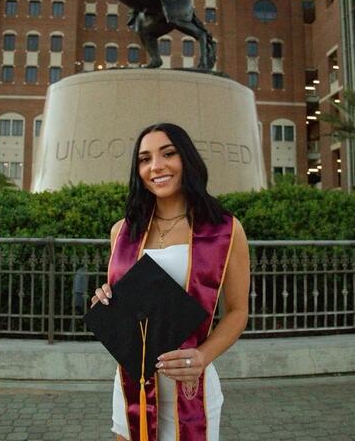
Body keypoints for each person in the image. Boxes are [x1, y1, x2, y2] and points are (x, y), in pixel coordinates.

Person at [91, 123, 250, 441]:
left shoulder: (225, 230)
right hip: (133, 387)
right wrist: (105, 299)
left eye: (168, 154)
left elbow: (237, 311)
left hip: (191, 387)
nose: (156, 166)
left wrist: (202, 357)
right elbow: (128, 301)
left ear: (186, 159)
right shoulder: (123, 231)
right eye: (145, 159)